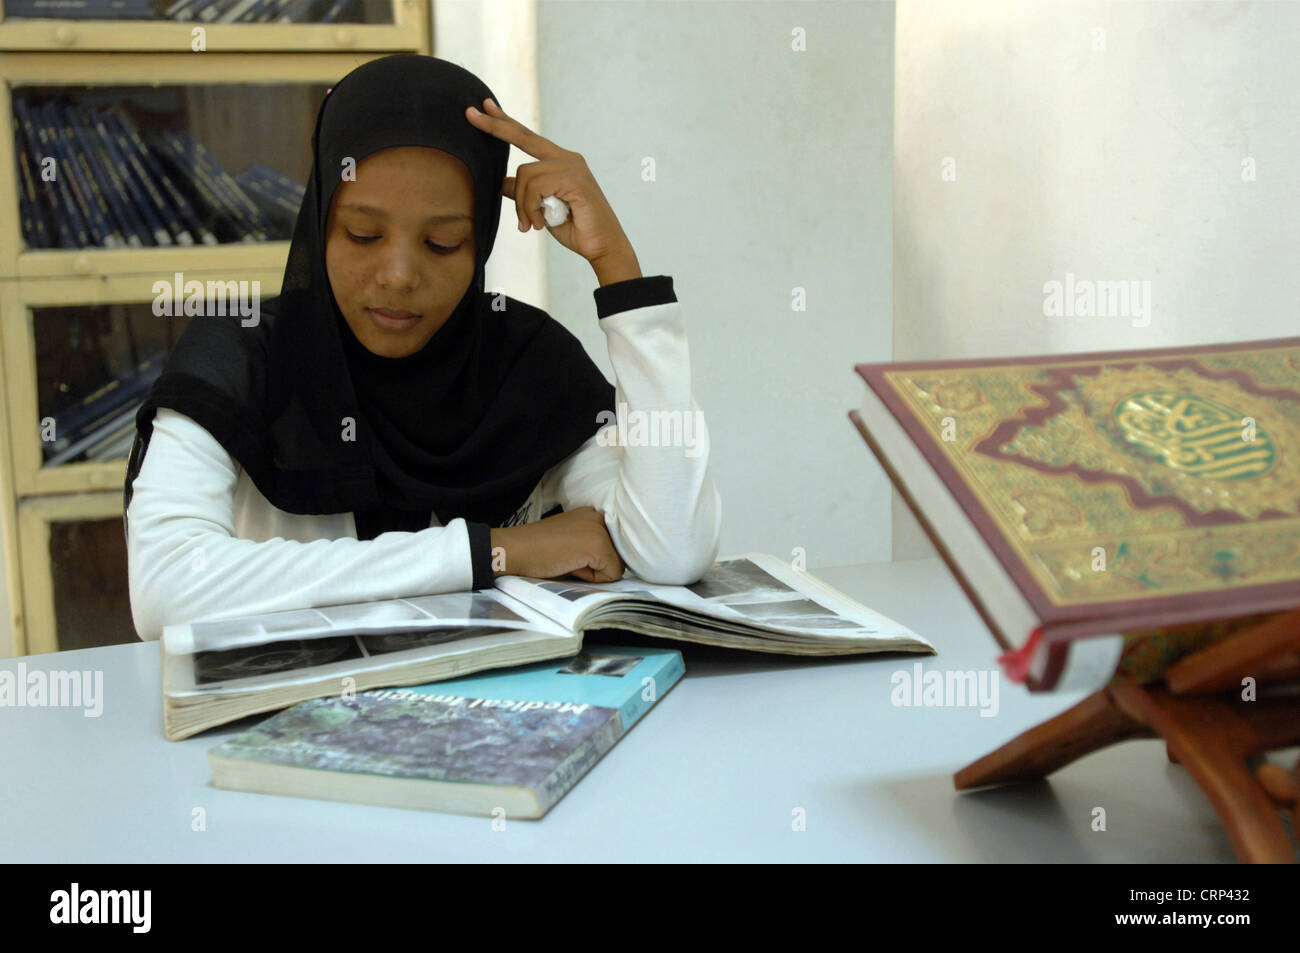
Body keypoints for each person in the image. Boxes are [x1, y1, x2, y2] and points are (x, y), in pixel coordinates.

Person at [123, 53, 721, 642]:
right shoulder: (237, 356)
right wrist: (490, 552)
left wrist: (617, 270)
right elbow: (168, 587)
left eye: (442, 242)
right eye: (363, 234)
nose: (399, 275)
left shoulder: (523, 362)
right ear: (319, 221)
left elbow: (672, 550)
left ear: (482, 237)